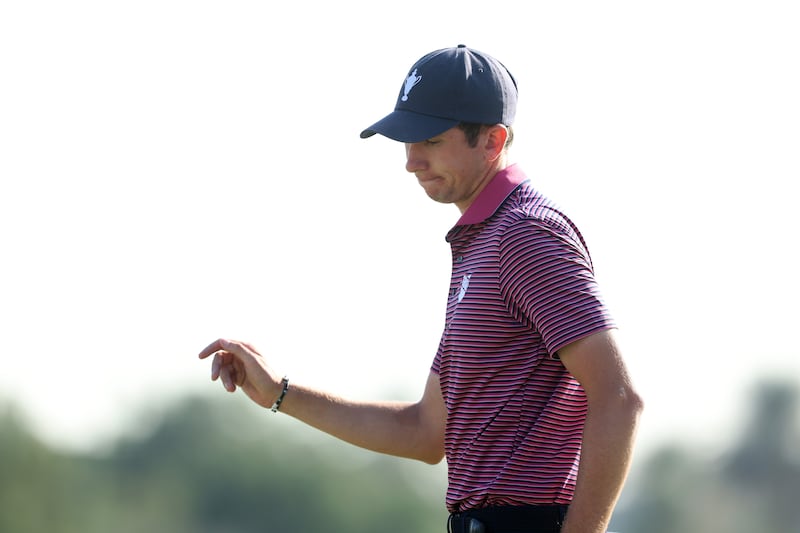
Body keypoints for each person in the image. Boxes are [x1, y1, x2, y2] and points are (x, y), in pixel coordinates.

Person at [199, 44, 643, 533]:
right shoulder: (481, 242)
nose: (411, 161)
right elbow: (427, 432)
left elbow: (619, 397)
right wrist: (280, 393)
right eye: (407, 143)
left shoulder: (525, 235)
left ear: (492, 141)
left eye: (430, 141)